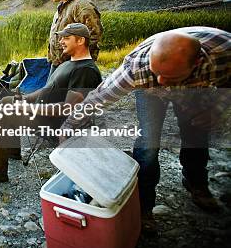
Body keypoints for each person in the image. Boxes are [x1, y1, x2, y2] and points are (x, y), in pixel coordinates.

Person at [59, 26, 230, 229]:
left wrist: (216, 109)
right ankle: (143, 207)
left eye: (168, 77)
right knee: (148, 143)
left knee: (196, 132)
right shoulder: (137, 68)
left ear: (198, 63)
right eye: (158, 73)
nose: (162, 83)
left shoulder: (224, 53)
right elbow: (97, 99)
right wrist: (69, 125)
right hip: (149, 92)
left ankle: (197, 183)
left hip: (194, 87)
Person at [0, 23, 102, 183]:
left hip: (57, 125)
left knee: (5, 112)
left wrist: (29, 108)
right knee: (6, 101)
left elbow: (68, 109)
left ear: (81, 40)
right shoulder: (68, 63)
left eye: (66, 38)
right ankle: (11, 151)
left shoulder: (85, 70)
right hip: (45, 116)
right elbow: (46, 90)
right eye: (61, 37)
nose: (61, 41)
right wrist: (26, 99)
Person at [45, 0, 103, 75]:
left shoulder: (82, 5)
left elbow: (94, 33)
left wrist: (77, 59)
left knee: (68, 90)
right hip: (58, 62)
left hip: (73, 64)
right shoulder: (62, 7)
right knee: (51, 90)